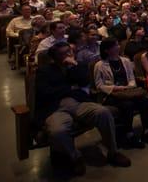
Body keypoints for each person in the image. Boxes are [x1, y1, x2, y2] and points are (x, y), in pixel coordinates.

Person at [35, 41, 131, 175]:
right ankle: (75, 157)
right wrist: (70, 88)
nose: (68, 55)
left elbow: (84, 81)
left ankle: (113, 152)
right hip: (55, 107)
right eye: (63, 54)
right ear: (55, 57)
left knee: (103, 113)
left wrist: (72, 67)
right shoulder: (44, 71)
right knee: (58, 131)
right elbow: (45, 92)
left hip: (78, 102)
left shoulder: (78, 66)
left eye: (69, 52)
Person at [94, 38, 148, 148]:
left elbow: (131, 79)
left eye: (118, 45)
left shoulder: (125, 61)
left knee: (144, 100)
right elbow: (99, 85)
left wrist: (129, 86)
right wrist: (115, 88)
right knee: (128, 105)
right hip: (111, 94)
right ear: (106, 50)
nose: (118, 47)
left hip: (128, 91)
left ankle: (147, 131)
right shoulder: (99, 65)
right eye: (115, 46)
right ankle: (129, 133)